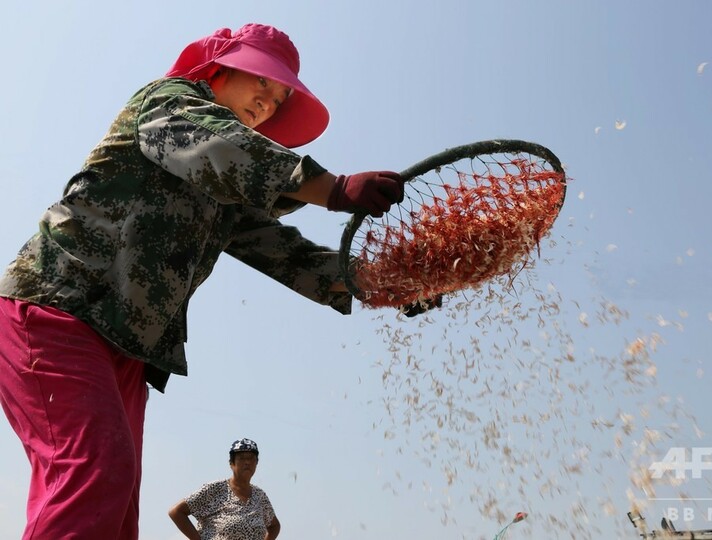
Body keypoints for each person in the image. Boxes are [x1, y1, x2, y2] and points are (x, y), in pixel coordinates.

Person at [0, 23, 408, 539]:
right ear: (219, 70)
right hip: (57, 310)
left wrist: (383, 282)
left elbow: (289, 255)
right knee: (96, 472)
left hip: (126, 348)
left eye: (279, 101)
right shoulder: (168, 103)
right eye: (262, 82)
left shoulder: (225, 197)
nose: (267, 104)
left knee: (115, 510)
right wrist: (334, 188)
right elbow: (219, 146)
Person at [169, 439, 280, 540]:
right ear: (232, 463)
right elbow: (176, 512)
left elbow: (274, 526)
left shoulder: (259, 496)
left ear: (256, 463)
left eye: (251, 458)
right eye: (241, 458)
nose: (247, 462)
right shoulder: (215, 489)